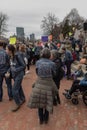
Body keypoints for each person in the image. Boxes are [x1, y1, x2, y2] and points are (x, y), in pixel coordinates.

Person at [27, 48, 57, 124]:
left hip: (39, 82)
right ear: (49, 55)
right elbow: (54, 74)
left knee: (39, 103)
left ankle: (41, 119)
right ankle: (46, 119)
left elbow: (37, 72)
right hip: (49, 83)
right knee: (47, 102)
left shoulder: (38, 62)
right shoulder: (52, 64)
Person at [6, 44, 26, 112]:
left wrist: (16, 70)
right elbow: (11, 66)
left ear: (10, 50)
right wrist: (8, 71)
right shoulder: (10, 56)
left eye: (6, 49)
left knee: (14, 90)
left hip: (19, 75)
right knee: (19, 87)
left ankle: (18, 103)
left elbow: (23, 65)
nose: (6, 50)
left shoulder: (18, 56)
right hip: (14, 75)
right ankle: (23, 98)